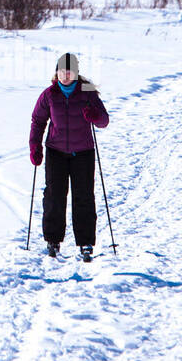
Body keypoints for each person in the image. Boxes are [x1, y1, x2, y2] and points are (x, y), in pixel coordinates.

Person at [29, 51, 109, 261]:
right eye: (62, 71)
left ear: (76, 73)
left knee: (83, 196)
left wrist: (94, 115)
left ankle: (85, 243)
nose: (66, 75)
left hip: (83, 151)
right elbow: (38, 121)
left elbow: (104, 120)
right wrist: (35, 146)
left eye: (70, 71)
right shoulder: (49, 94)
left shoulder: (87, 91)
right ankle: (53, 240)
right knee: (54, 196)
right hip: (56, 151)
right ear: (56, 73)